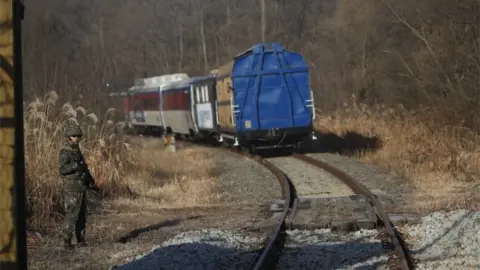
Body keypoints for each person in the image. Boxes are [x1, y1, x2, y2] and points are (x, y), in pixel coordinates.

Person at [58, 120, 98, 250]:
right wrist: (75, 165)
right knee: (71, 215)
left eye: (78, 136)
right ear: (69, 137)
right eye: (74, 136)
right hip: (72, 188)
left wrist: (91, 181)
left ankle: (81, 240)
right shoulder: (65, 151)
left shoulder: (77, 150)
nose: (77, 138)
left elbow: (84, 169)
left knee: (81, 216)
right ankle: (66, 242)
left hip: (81, 187)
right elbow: (62, 169)